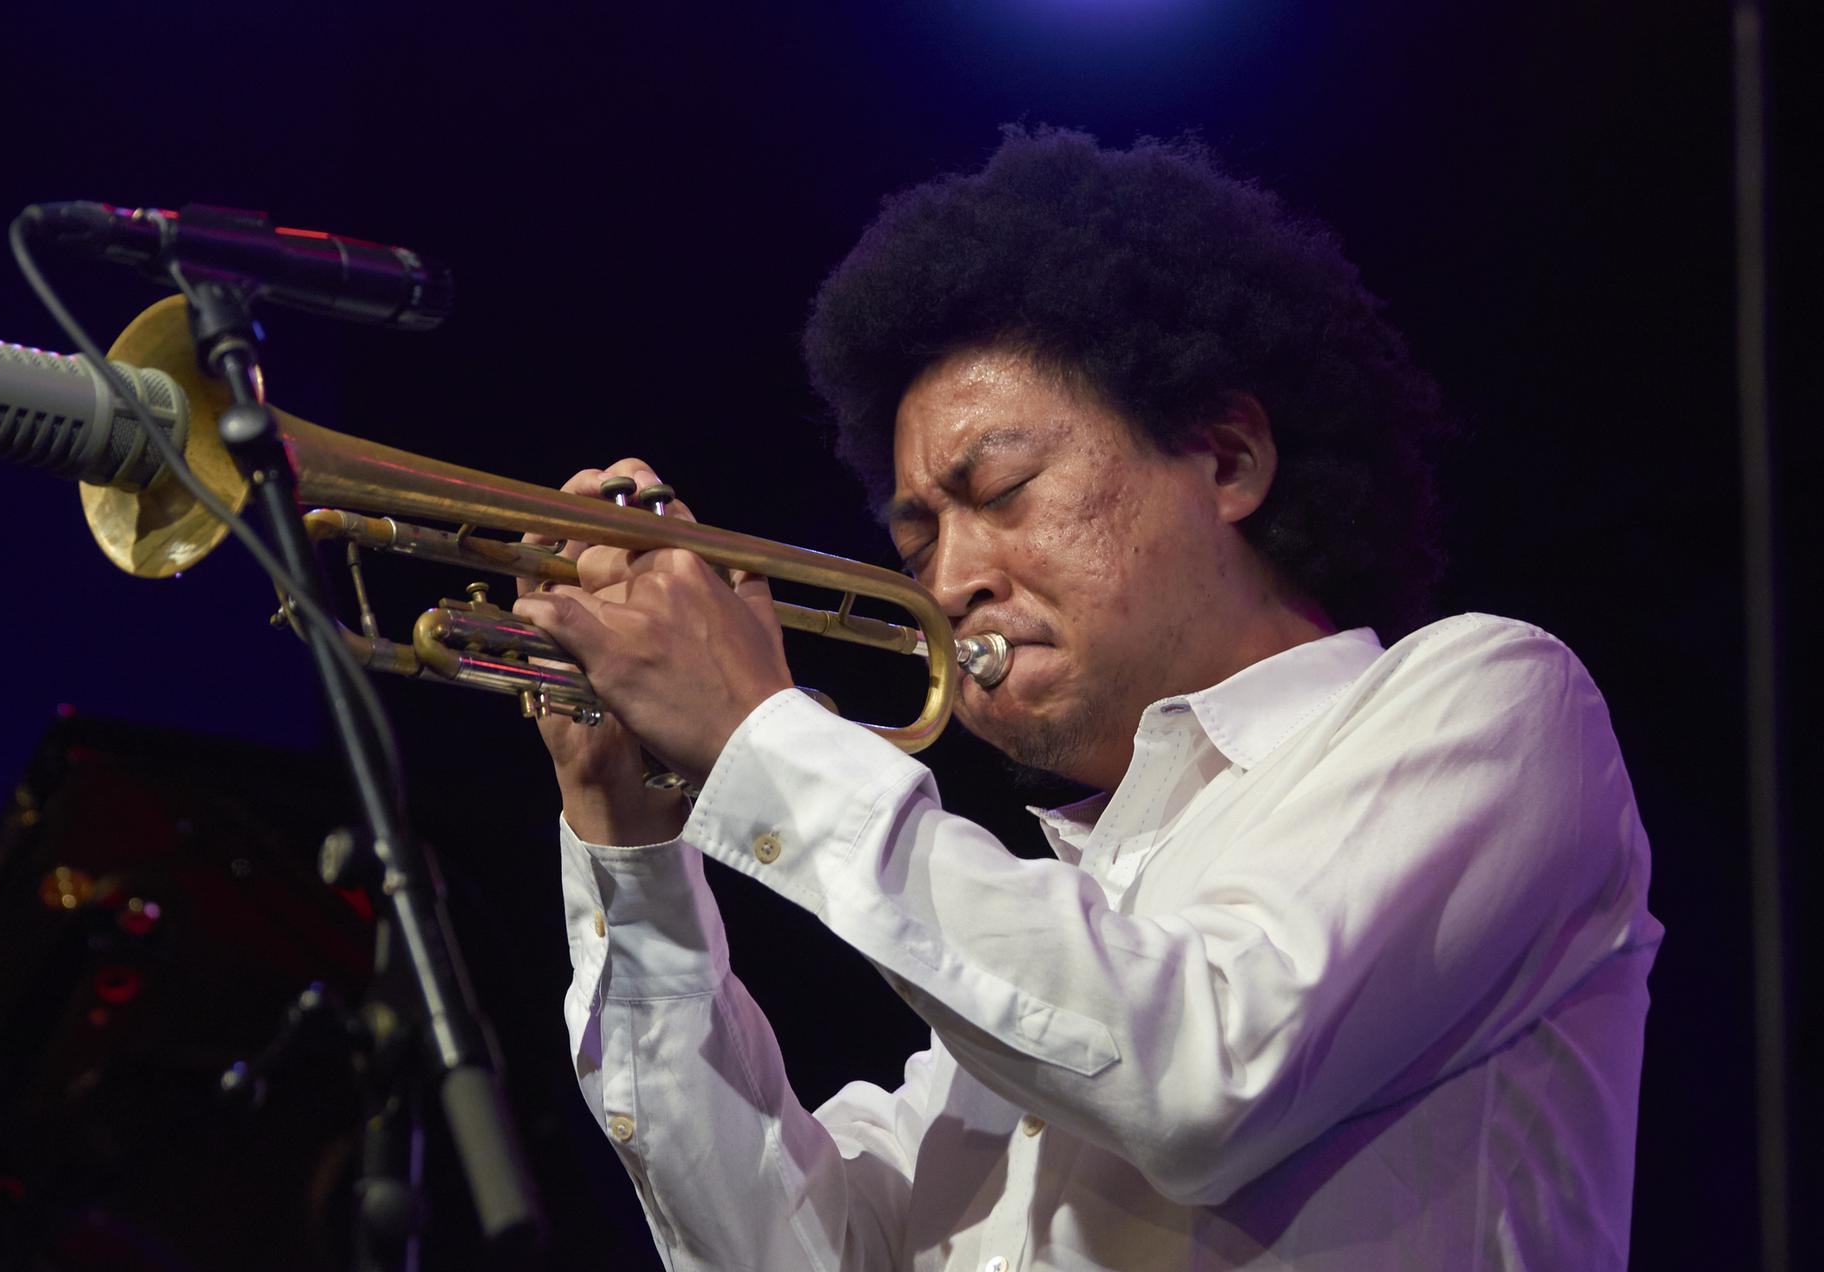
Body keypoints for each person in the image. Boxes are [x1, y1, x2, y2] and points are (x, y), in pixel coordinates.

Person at [513, 128, 1661, 1270]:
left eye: (1003, 490)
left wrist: (758, 732)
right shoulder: (1043, 940)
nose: (951, 581)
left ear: (1227, 459)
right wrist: (633, 851)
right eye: (918, 541)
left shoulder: (1494, 700)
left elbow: (1206, 1072)